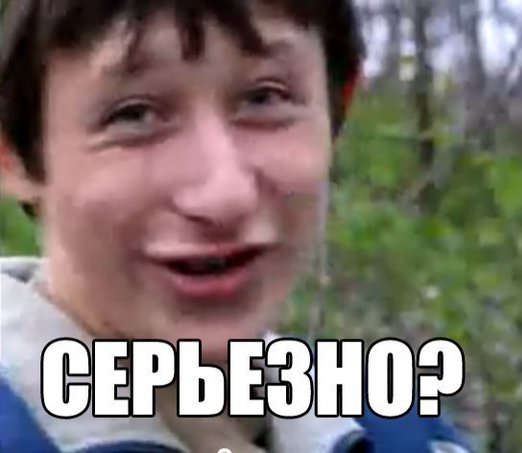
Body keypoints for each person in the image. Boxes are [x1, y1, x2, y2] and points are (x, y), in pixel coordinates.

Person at [0, 1, 473, 452]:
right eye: (134, 114)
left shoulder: (406, 432)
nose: (224, 195)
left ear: (337, 109)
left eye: (265, 98)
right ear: (13, 153)